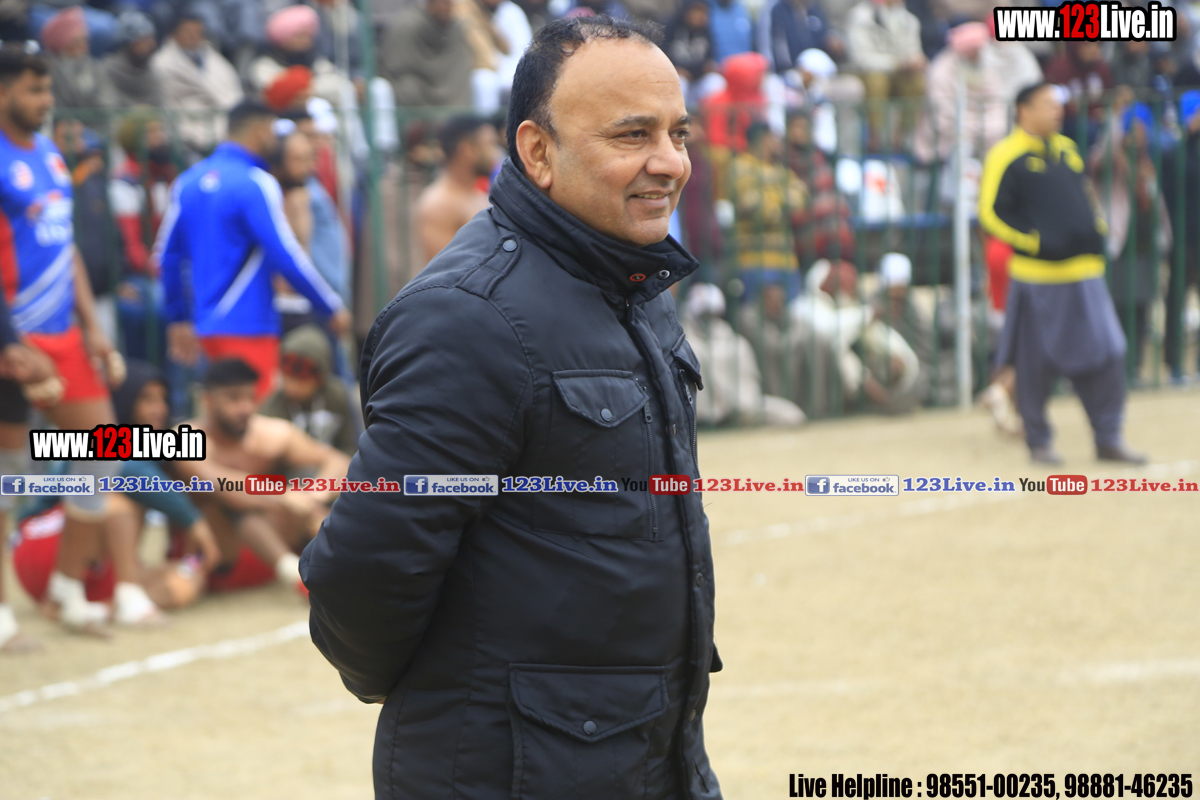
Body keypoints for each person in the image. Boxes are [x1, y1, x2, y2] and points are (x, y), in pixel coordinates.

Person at [302, 17, 723, 799]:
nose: (669, 161)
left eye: (678, 133)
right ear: (538, 151)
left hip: (646, 754)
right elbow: (363, 569)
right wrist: (452, 695)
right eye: (633, 134)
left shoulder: (632, 283)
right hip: (506, 772)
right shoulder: (468, 318)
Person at [0, 45, 127, 635]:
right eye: (34, 90)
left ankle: (67, 589)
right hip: (14, 337)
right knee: (8, 474)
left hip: (64, 336)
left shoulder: (51, 155)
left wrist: (94, 328)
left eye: (47, 89)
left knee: (103, 454)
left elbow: (64, 247)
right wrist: (8, 342)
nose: (46, 101)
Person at [979, 81, 1145, 465]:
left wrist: (1097, 229)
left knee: (1109, 354)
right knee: (1035, 364)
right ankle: (1038, 441)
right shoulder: (1005, 155)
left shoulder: (1068, 150)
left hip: (1085, 272)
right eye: (1047, 104)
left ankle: (1108, 436)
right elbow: (991, 213)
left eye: (1057, 104)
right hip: (1038, 276)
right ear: (1023, 110)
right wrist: (1034, 242)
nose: (1056, 111)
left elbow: (1085, 197)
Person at [154, 101, 350, 402]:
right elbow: (286, 255)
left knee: (218, 421)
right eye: (272, 132)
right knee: (255, 420)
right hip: (249, 325)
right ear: (259, 132)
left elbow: (166, 257)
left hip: (204, 327)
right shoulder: (256, 182)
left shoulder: (187, 181)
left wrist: (178, 317)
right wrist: (330, 306)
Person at [11, 359, 222, 625]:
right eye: (147, 399)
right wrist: (194, 522)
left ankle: (101, 607)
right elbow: (122, 467)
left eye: (162, 399)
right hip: (43, 546)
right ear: (124, 400)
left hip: (94, 563)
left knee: (179, 586)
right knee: (114, 497)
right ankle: (125, 595)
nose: (158, 409)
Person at [176, 358, 349, 596]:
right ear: (207, 400)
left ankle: (352, 565)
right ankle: (299, 574)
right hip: (213, 561)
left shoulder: (273, 435)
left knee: (309, 492)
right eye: (234, 398)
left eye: (250, 397)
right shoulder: (185, 439)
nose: (245, 407)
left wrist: (316, 494)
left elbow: (338, 461)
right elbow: (220, 484)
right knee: (237, 505)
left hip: (273, 550)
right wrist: (282, 494)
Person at [150, 10, 245, 155]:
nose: (193, 36)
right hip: (186, 132)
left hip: (223, 126)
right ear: (174, 34)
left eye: (198, 32)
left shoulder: (217, 60)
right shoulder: (161, 63)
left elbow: (233, 94)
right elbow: (168, 101)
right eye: (187, 32)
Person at [415, 114, 501, 265]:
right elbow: (443, 271)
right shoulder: (440, 204)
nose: (496, 154)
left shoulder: (477, 194)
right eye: (490, 144)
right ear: (468, 150)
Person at [260, 324, 358, 455]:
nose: (294, 386)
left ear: (320, 378)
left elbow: (352, 444)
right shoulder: (272, 406)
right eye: (288, 378)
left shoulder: (338, 396)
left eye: (302, 380)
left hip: (335, 464)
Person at [844, 0, 925, 152]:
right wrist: (896, 64)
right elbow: (861, 58)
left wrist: (915, 61)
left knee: (916, 83)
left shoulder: (909, 19)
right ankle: (875, 137)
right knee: (877, 81)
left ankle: (902, 138)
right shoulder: (860, 16)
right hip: (868, 72)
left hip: (899, 72)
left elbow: (914, 50)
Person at [380, 0, 474, 109]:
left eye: (449, 4)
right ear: (430, 3)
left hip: (449, 87)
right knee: (407, 87)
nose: (446, 9)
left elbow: (461, 66)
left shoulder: (455, 29)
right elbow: (394, 67)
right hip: (416, 87)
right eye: (441, 3)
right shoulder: (407, 24)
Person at [40, 5, 116, 114]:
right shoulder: (47, 67)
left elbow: (107, 101)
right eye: (76, 41)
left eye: (84, 40)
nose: (83, 46)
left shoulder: (93, 66)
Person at [103, 10, 162, 109]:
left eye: (151, 39)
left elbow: (161, 108)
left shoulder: (152, 71)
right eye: (144, 40)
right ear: (128, 43)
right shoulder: (107, 70)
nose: (151, 44)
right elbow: (108, 107)